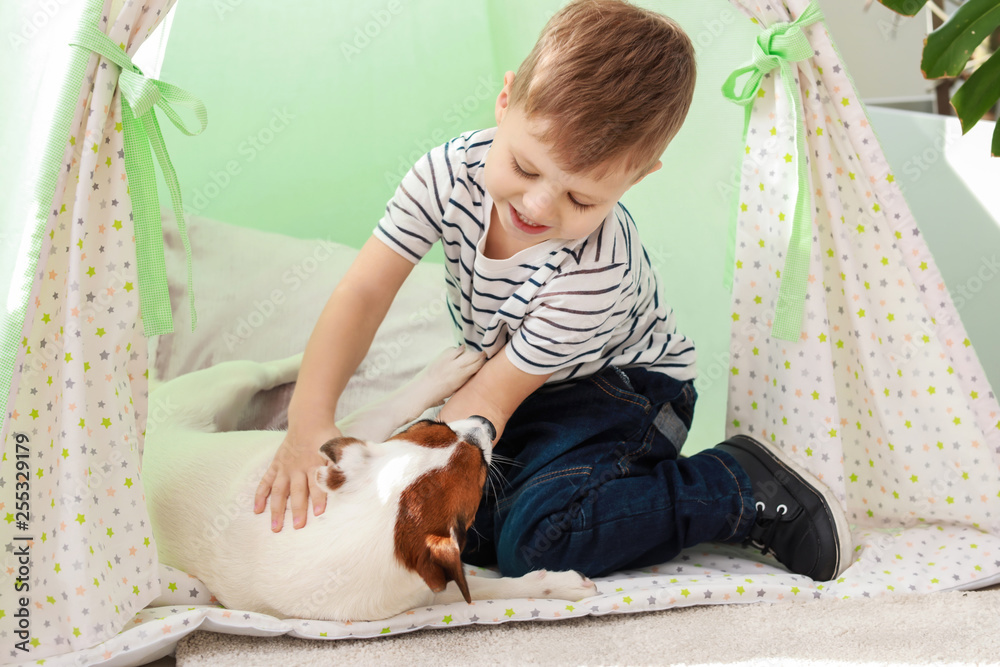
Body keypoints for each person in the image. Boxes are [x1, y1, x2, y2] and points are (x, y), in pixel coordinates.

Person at [253, 0, 852, 581]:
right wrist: (310, 423)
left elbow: (486, 402)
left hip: (626, 394)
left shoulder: (594, 273)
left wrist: (395, 473)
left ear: (638, 176)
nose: (538, 205)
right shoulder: (445, 175)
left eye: (581, 198)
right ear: (506, 101)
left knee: (537, 542)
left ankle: (735, 487)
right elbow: (363, 293)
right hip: (529, 387)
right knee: (468, 534)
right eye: (526, 167)